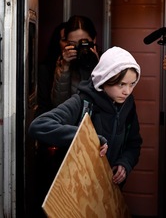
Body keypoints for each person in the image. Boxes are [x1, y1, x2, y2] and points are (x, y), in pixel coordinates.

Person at [29, 46, 142, 185]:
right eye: (121, 84)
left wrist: (125, 163)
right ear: (104, 79)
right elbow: (39, 126)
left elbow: (134, 143)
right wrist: (89, 137)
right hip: (78, 189)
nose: (127, 91)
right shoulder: (82, 101)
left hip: (108, 189)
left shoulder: (128, 105)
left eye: (132, 84)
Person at [51, 15, 99, 107]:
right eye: (73, 44)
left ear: (94, 40)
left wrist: (98, 66)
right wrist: (65, 67)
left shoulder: (104, 60)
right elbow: (59, 103)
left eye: (83, 43)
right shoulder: (64, 62)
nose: (80, 48)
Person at [35, 22, 67, 117]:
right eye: (64, 40)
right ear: (57, 42)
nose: (69, 45)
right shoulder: (45, 69)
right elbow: (44, 105)